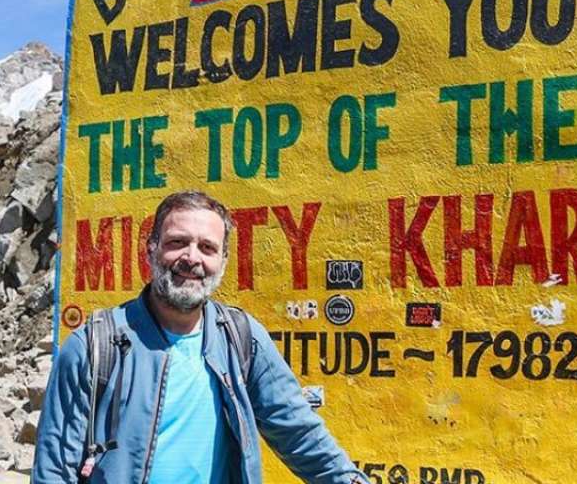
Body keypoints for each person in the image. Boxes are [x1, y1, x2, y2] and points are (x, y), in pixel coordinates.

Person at [33, 190, 367, 484]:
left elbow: (297, 430)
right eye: (177, 242)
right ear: (150, 250)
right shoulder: (94, 347)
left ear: (222, 261)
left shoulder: (242, 339)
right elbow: (54, 471)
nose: (192, 258)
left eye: (207, 247)